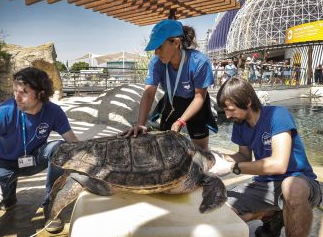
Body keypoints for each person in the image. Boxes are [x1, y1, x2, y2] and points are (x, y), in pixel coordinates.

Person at [209, 77, 322, 237]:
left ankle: (281, 215)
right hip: (266, 185)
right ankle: (272, 216)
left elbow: (279, 165)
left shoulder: (277, 115)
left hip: (300, 181)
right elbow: (244, 156)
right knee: (221, 210)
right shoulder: (240, 125)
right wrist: (217, 159)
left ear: (248, 102)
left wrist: (232, 168)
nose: (227, 115)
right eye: (225, 110)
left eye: (231, 109)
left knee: (291, 187)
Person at [0, 67, 78, 233]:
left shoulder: (53, 111)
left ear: (41, 94)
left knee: (60, 149)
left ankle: (51, 206)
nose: (17, 97)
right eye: (15, 91)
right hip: (3, 162)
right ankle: (8, 191)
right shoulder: (4, 112)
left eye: (24, 92)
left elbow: (74, 144)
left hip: (33, 159)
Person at [123, 19, 217, 150]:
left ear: (176, 43)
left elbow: (199, 97)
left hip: (196, 103)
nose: (156, 53)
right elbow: (149, 93)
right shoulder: (156, 63)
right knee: (165, 145)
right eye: (155, 48)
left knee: (201, 149)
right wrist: (140, 124)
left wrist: (180, 121)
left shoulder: (200, 62)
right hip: (172, 101)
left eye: (160, 47)